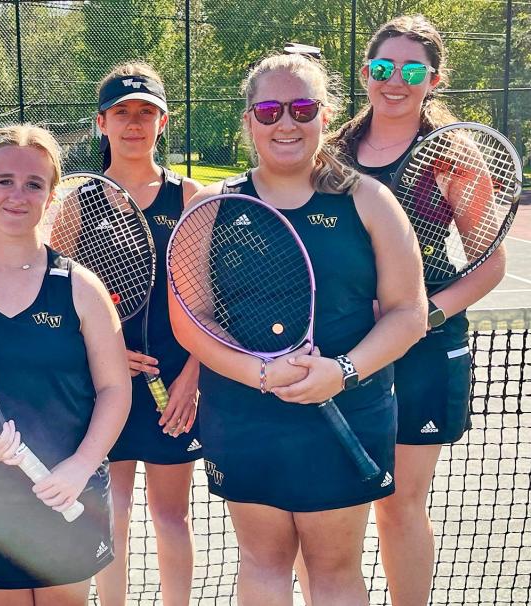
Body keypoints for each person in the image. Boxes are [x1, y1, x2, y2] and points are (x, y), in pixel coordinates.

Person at [169, 52, 427, 605]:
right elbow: (192, 320)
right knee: (262, 563)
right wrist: (260, 372)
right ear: (248, 121)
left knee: (335, 571)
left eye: (302, 107)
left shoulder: (369, 200)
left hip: (349, 412)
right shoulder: (212, 206)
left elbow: (410, 312)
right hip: (244, 415)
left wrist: (343, 371)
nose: (285, 122)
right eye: (268, 110)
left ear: (326, 117)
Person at [0, 124, 131, 605]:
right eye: (4, 181)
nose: (18, 194)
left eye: (34, 184)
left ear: (51, 195)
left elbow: (115, 390)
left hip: (68, 489)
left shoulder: (81, 287)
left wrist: (80, 465)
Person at [330, 15, 506, 605]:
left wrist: (420, 314)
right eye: (383, 68)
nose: (395, 81)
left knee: (399, 501)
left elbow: (490, 262)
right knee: (339, 500)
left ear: (433, 80)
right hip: (345, 348)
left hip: (425, 351)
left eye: (411, 70)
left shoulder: (451, 157)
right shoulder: (333, 155)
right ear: (365, 75)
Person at [90, 61, 202, 606]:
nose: (134, 123)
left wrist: (192, 377)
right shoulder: (74, 199)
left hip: (175, 381)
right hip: (103, 385)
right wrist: (106, 357)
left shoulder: (190, 198)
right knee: (111, 509)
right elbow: (67, 300)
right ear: (102, 122)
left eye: (146, 112)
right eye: (122, 112)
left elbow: (205, 304)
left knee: (169, 513)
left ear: (163, 121)